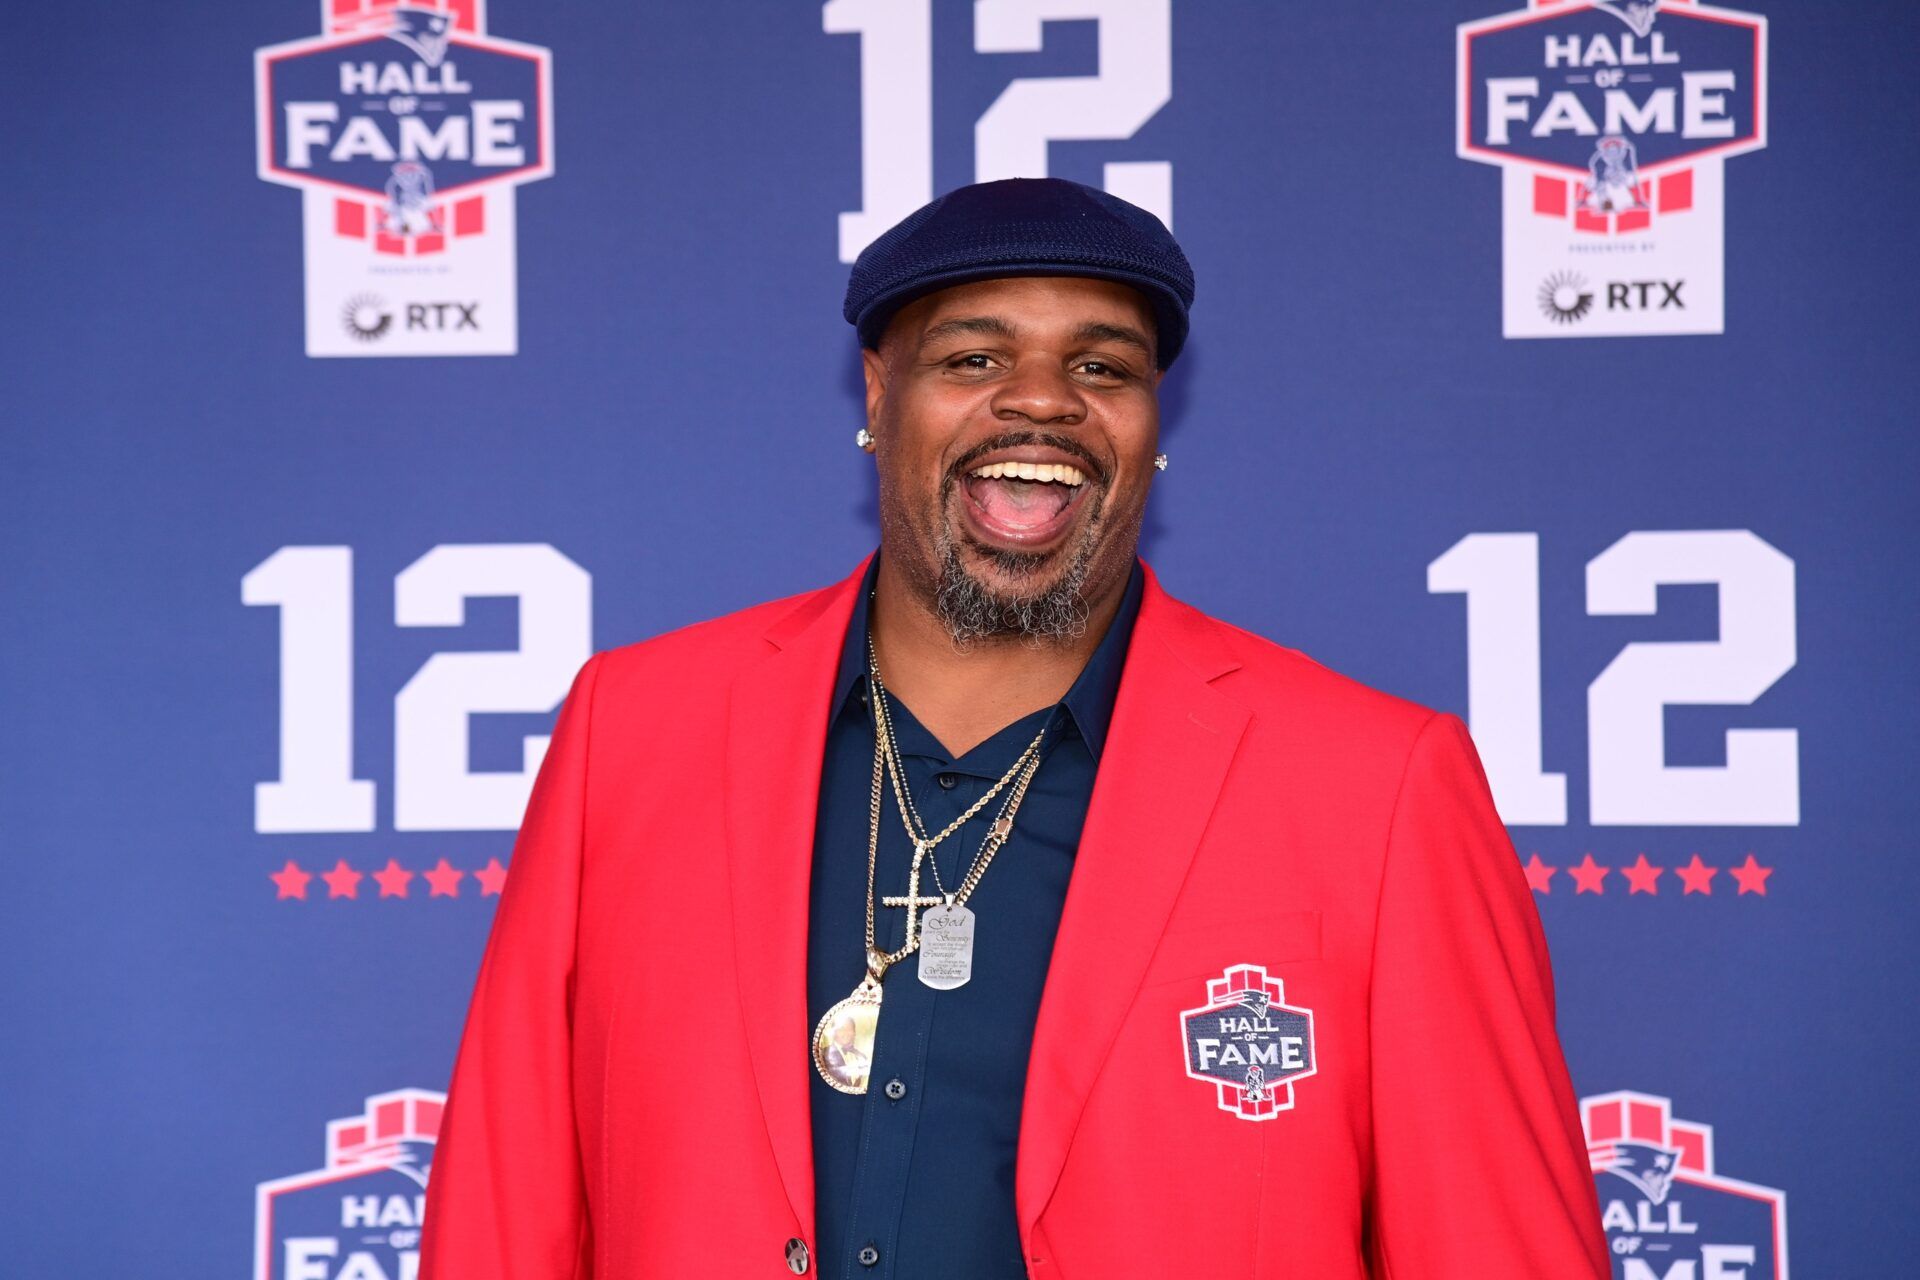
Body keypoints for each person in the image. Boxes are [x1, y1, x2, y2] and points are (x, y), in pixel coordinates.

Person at [419, 178, 1609, 1279]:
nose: (1041, 399)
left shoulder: (1376, 781)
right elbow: (503, 1211)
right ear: (878, 398)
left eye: (1102, 368)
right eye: (974, 355)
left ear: (1152, 421)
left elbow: (1494, 1243)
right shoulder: (635, 729)